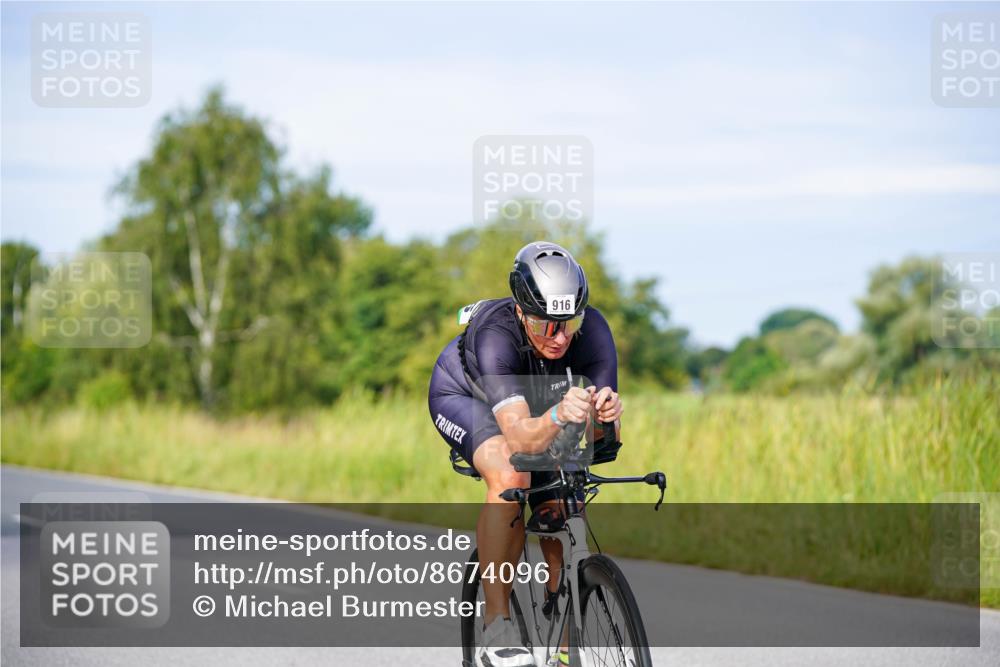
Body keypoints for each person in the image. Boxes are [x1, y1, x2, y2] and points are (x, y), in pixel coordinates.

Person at [428, 241, 623, 667]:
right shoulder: (498, 335)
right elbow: (519, 441)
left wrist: (605, 416)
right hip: (468, 396)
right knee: (513, 474)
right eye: (545, 325)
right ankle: (497, 624)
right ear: (521, 311)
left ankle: (566, 634)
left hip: (538, 402)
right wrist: (558, 413)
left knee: (563, 494)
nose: (559, 337)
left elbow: (602, 440)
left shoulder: (592, 331)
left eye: (568, 322)